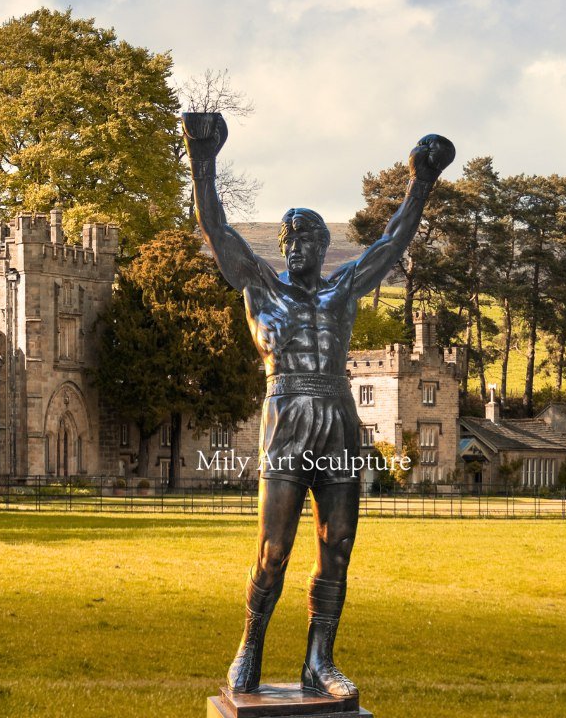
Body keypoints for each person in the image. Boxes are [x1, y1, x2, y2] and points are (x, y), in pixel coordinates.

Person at [182, 113, 454, 698]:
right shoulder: (259, 284)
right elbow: (218, 229)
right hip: (286, 416)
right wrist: (202, 161)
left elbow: (392, 242)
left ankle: (318, 661)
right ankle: (249, 647)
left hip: (337, 418)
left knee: (338, 546)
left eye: (305, 238)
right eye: (287, 239)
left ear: (323, 246)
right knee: (273, 549)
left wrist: (421, 182)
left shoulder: (344, 288)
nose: (293, 246)